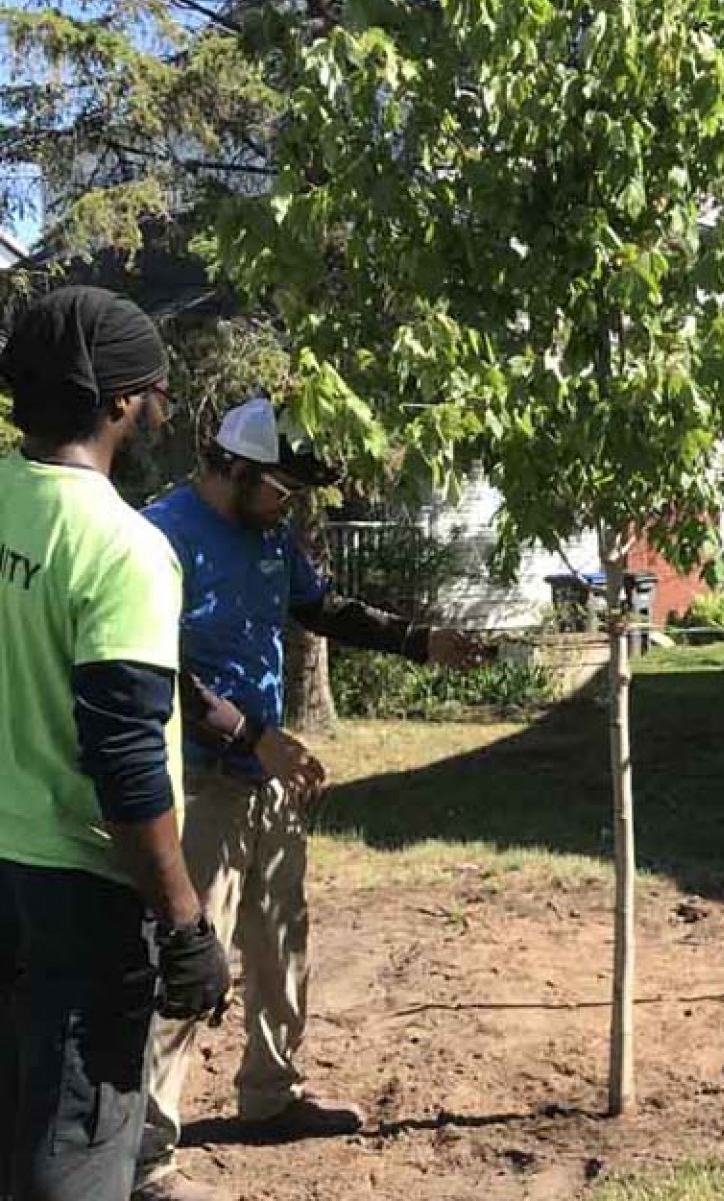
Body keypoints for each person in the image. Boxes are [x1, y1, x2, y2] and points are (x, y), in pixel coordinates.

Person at [133, 398, 489, 1201]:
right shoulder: (163, 534)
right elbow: (149, 663)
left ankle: (270, 1095)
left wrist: (417, 641)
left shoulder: (270, 537)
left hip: (268, 781)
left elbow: (320, 608)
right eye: (280, 489)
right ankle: (146, 1155)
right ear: (235, 468)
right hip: (198, 783)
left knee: (280, 941)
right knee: (190, 961)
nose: (288, 506)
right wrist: (251, 736)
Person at [0, 287, 231, 1201]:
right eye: (158, 393)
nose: (160, 412)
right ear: (122, 401)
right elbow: (127, 763)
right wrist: (183, 927)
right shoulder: (121, 547)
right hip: (79, 896)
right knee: (76, 1146)